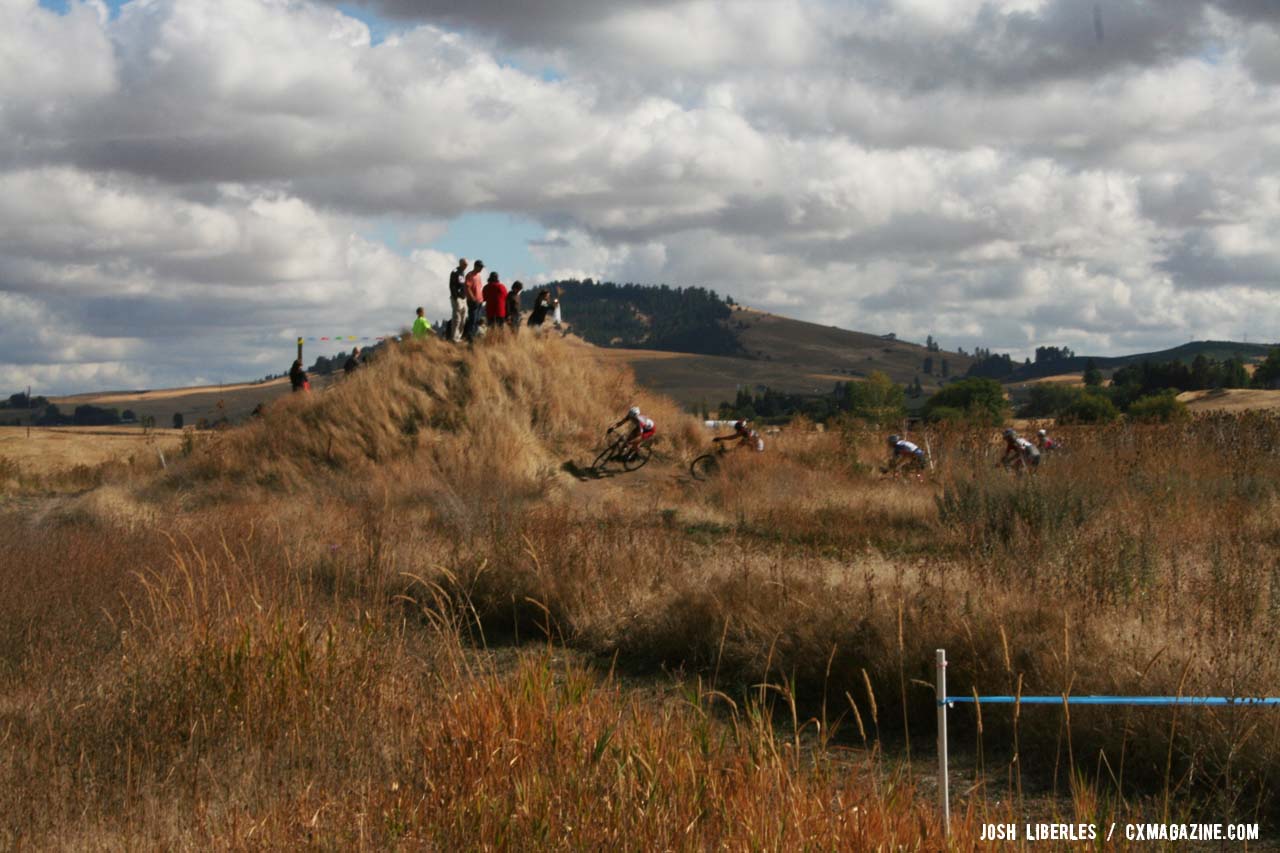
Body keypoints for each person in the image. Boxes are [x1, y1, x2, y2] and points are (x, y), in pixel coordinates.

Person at [464, 260, 485, 340]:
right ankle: (470, 336)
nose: (481, 269)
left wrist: (481, 299)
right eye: (480, 267)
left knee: (477, 319)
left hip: (479, 301)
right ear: (476, 266)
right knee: (472, 319)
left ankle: (474, 336)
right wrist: (472, 298)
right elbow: (467, 287)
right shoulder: (470, 275)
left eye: (482, 267)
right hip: (473, 301)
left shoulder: (478, 276)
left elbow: (479, 288)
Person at [448, 258, 468, 343]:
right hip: (457, 298)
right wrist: (455, 297)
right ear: (460, 263)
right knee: (457, 318)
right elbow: (452, 285)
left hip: (463, 298)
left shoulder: (462, 273)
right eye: (464, 264)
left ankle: (459, 336)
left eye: (466, 265)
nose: (465, 266)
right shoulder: (455, 272)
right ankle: (454, 337)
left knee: (463, 318)